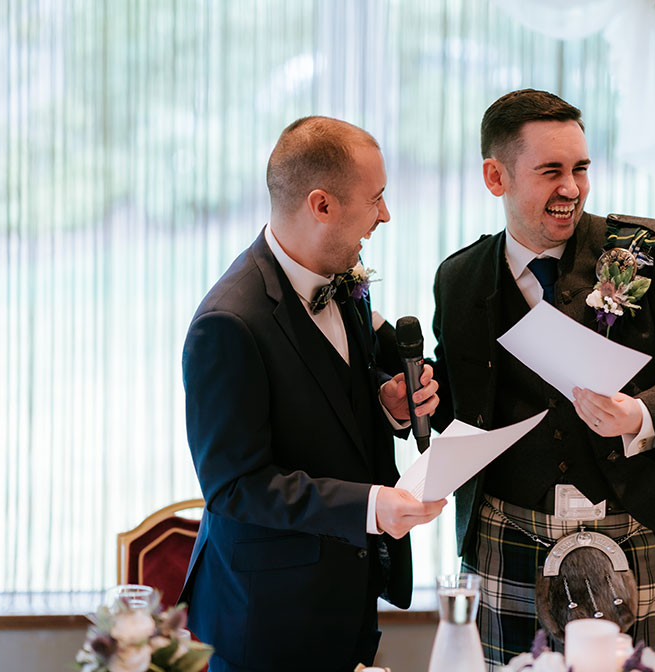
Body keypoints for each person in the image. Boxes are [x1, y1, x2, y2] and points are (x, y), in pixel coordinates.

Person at [430, 89, 655, 667]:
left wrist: (639, 416)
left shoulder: (648, 253)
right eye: (550, 171)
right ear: (496, 177)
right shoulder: (460, 278)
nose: (571, 188)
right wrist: (413, 404)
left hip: (644, 531)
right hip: (509, 538)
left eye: (580, 168)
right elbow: (462, 410)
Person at [179, 116, 447, 672]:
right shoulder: (228, 323)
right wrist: (371, 506)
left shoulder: (340, 280)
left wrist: (385, 402)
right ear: (321, 205)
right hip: (267, 617)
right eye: (375, 199)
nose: (385, 216)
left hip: (346, 597)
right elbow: (235, 486)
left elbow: (331, 393)